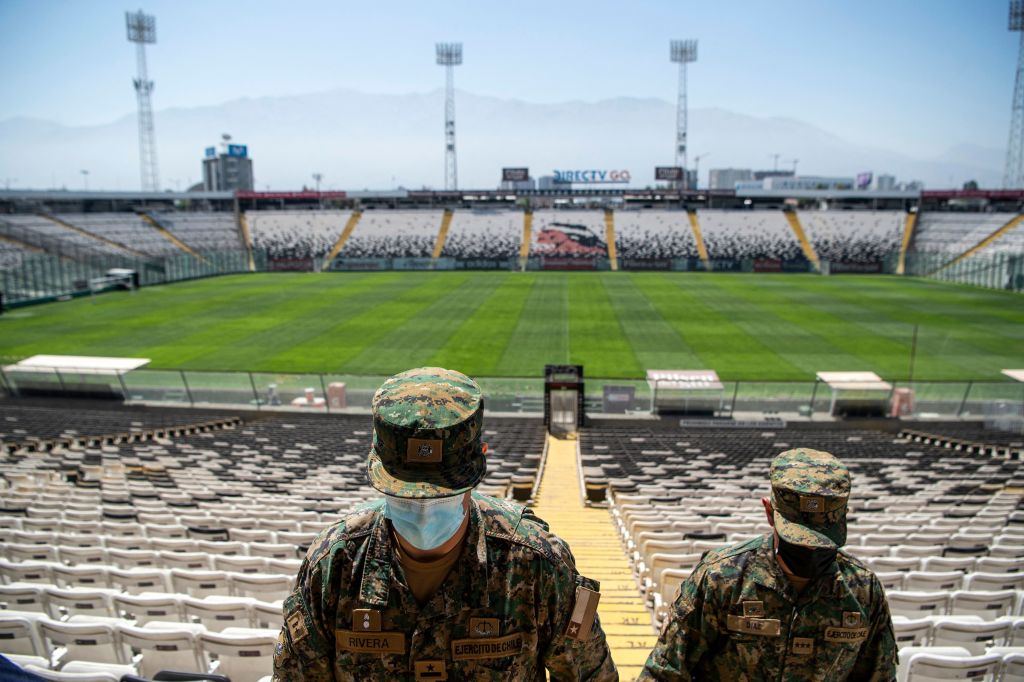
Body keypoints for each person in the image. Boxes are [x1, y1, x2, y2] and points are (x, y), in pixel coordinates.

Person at [273, 366, 616, 681]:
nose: (423, 509)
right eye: (406, 495)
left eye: (441, 494)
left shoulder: (536, 562)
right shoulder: (333, 564)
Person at [639, 448, 897, 681]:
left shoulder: (863, 591)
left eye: (822, 539)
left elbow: (880, 675)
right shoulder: (722, 577)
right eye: (799, 539)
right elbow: (664, 673)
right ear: (769, 512)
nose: (810, 549)